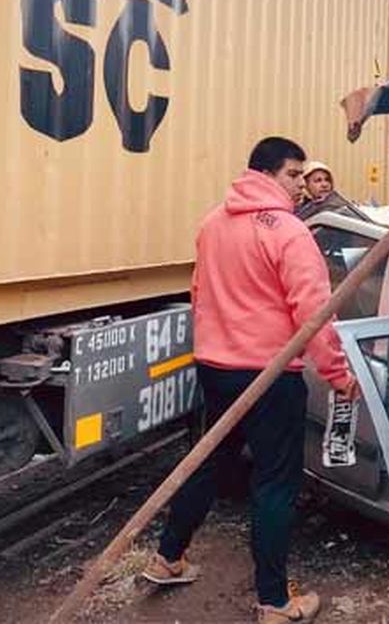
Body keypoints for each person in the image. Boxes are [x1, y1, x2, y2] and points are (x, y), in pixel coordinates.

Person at [144, 137, 358, 624]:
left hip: (217, 368)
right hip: (270, 376)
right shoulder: (287, 231)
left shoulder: (213, 223)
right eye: (293, 175)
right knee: (275, 483)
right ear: (267, 174)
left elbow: (199, 293)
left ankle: (168, 558)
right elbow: (314, 314)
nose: (300, 187)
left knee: (208, 460)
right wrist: (338, 374)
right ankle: (276, 603)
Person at [293, 160, 357, 220]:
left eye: (327, 180)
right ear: (306, 184)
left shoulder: (339, 207)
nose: (324, 185)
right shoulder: (296, 209)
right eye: (318, 180)